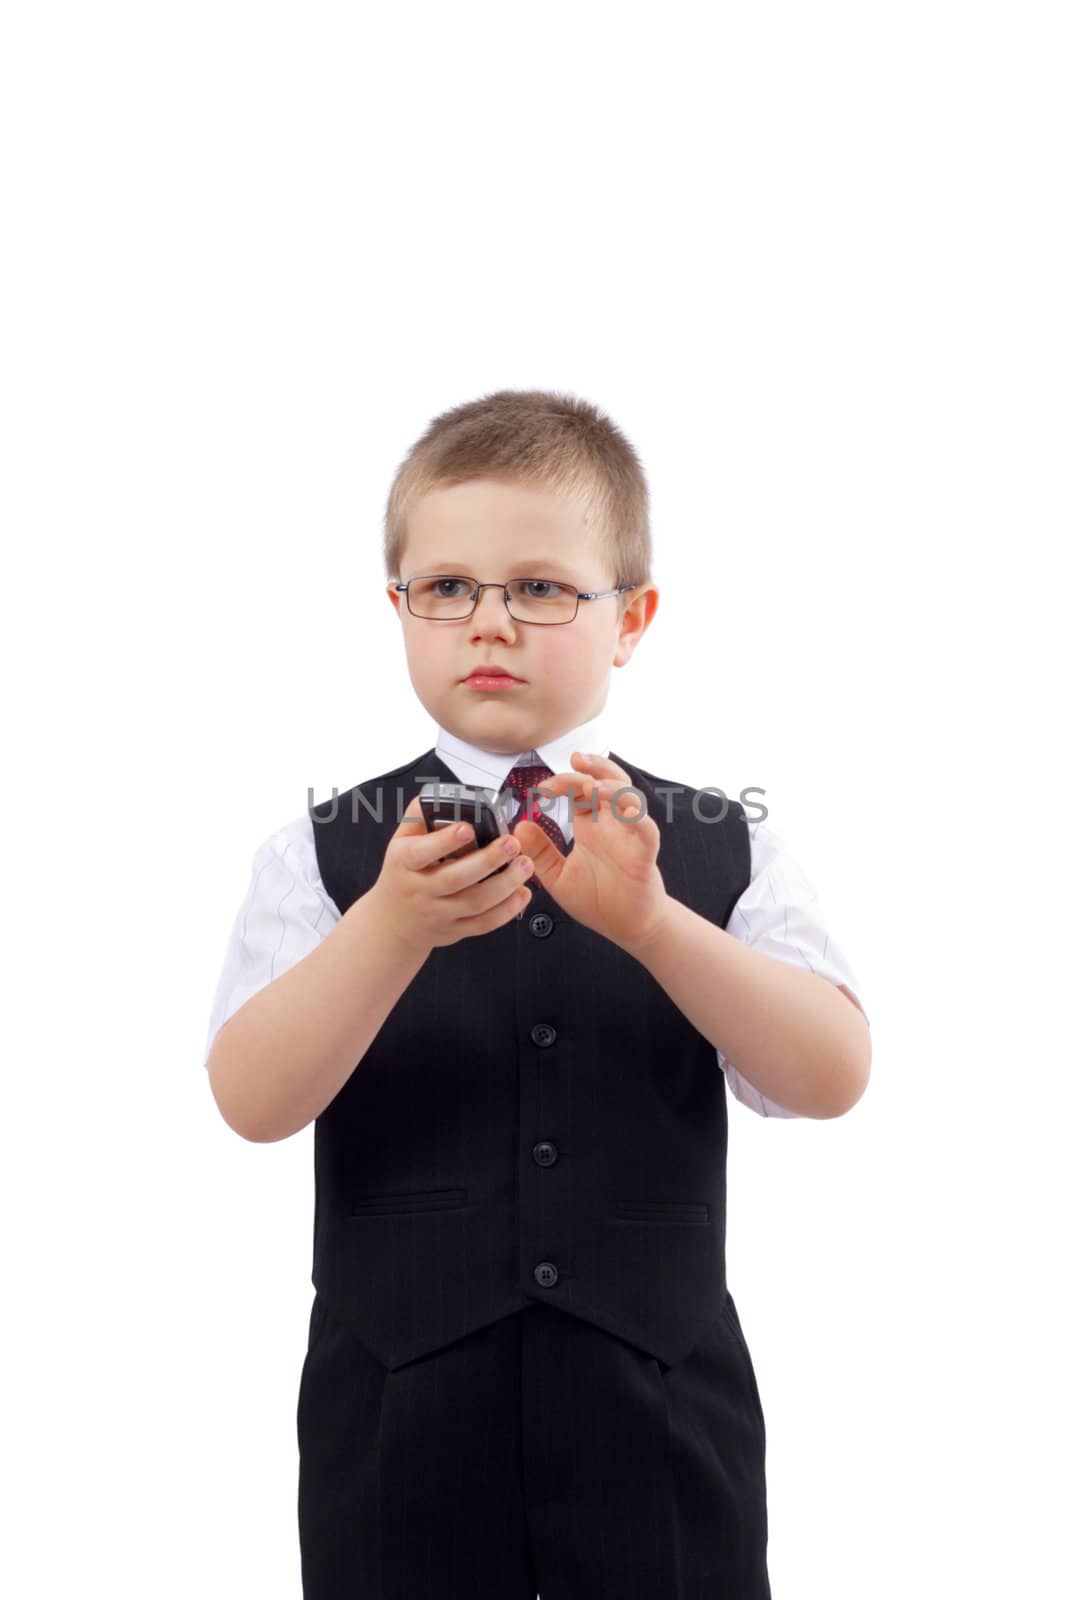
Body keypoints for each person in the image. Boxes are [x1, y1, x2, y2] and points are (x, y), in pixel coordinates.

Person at [204, 388, 872, 1598]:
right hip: (395, 1417)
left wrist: (660, 928)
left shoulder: (722, 844)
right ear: (397, 607)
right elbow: (252, 1100)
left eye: (542, 587)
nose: (489, 622)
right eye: (447, 587)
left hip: (661, 1409)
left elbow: (828, 1076)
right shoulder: (324, 850)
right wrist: (390, 930)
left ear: (631, 619)